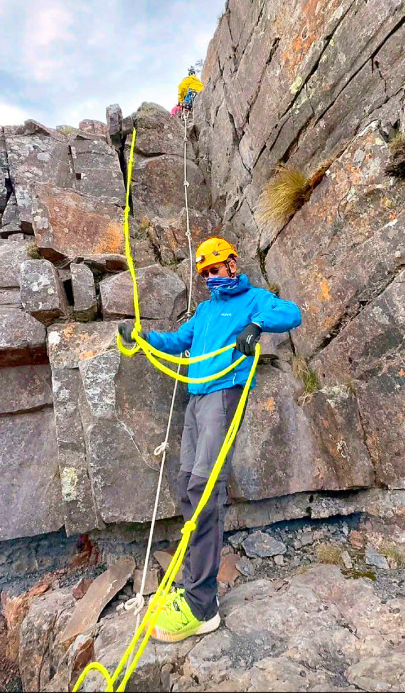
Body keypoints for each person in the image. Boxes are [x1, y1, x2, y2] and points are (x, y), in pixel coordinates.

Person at [118, 237, 302, 642]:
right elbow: (178, 342)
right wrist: (142, 336)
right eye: (204, 273)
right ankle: (192, 590)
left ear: (232, 265)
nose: (210, 278)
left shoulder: (255, 299)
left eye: (215, 269)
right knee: (186, 487)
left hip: (223, 395)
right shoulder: (203, 311)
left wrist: (257, 325)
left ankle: (203, 607)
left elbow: (292, 313)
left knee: (204, 489)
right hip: (197, 400)